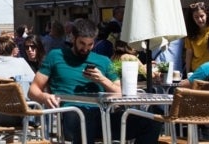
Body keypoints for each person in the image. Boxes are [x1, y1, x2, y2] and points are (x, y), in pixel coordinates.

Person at [29, 19, 163, 144]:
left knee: (152, 120)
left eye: (90, 44)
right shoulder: (56, 56)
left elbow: (119, 91)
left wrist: (102, 80)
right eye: (82, 43)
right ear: (73, 38)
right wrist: (45, 96)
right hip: (72, 114)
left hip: (102, 115)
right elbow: (33, 90)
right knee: (85, 117)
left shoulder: (103, 61)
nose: (86, 48)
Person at [0, 34, 37, 125]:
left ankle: (8, 139)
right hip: (17, 114)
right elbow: (34, 80)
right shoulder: (21, 62)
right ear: (13, 49)